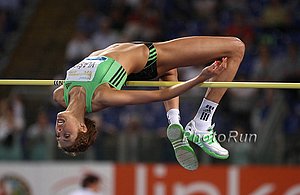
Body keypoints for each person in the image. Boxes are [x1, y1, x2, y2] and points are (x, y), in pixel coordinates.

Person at [53, 36, 245, 170]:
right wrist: (200, 78)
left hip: (134, 56)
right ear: (82, 127)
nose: (60, 130)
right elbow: (158, 96)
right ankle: (202, 123)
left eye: (59, 134)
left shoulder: (61, 95)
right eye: (67, 135)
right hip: (151, 56)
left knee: (169, 70)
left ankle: (174, 122)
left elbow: (68, 83)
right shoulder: (101, 96)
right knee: (236, 47)